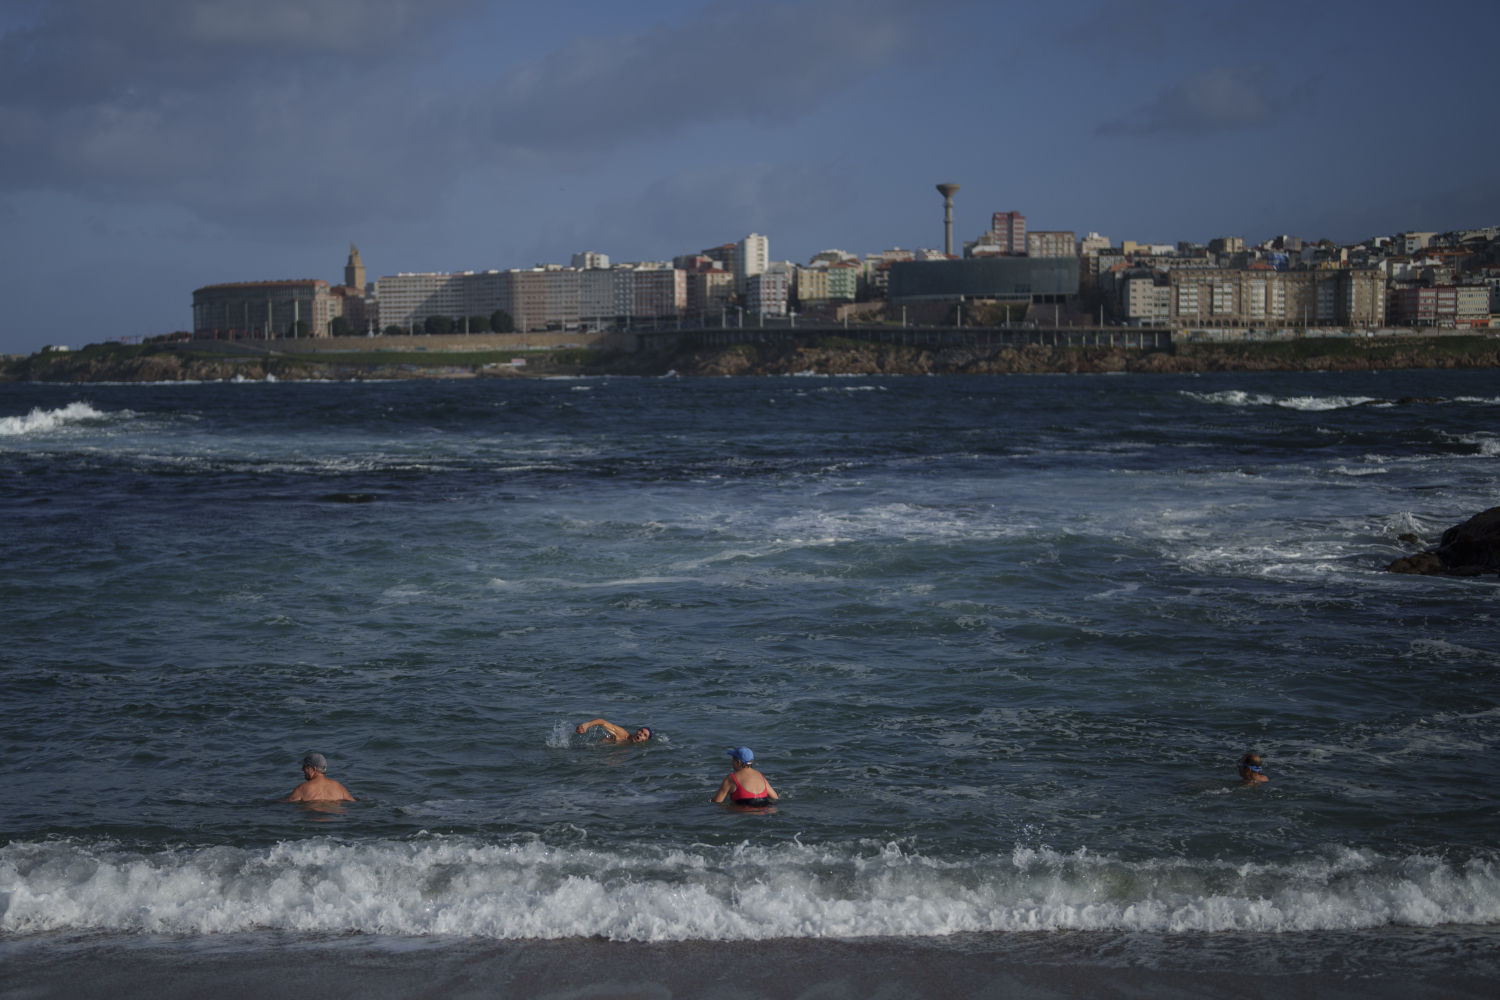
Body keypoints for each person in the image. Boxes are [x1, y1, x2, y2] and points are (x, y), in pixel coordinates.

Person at [712, 746, 778, 806]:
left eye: (733, 759)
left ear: (738, 762)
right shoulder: (760, 775)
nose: (731, 761)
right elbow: (775, 797)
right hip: (764, 811)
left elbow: (717, 801)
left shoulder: (731, 778)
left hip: (743, 813)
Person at [285, 752, 356, 802]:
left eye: (305, 766)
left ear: (314, 769)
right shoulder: (339, 787)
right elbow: (353, 803)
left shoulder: (302, 789)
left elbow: (287, 804)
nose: (302, 769)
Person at [575, 718, 652, 743]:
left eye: (645, 735)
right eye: (641, 731)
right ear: (637, 731)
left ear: (646, 740)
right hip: (590, 748)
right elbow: (602, 722)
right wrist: (587, 725)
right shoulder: (623, 734)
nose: (641, 734)